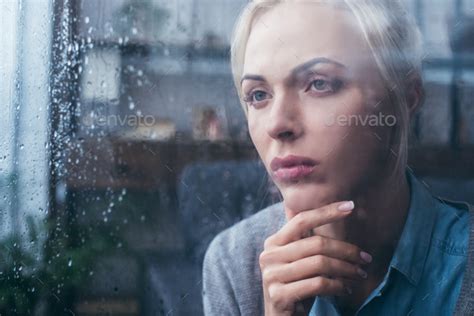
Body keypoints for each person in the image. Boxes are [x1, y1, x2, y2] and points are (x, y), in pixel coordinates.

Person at [202, 0, 473, 315]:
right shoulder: (234, 261)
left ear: (405, 98)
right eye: (258, 95)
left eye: (319, 84)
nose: (277, 125)